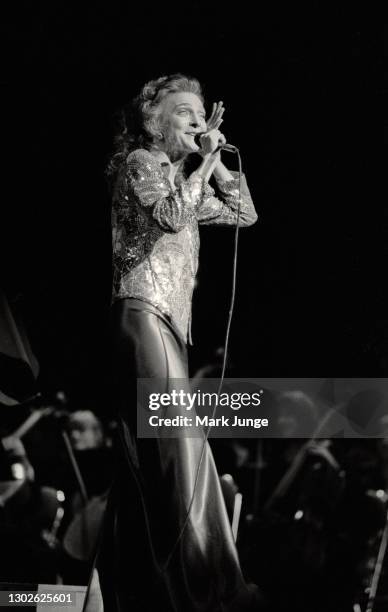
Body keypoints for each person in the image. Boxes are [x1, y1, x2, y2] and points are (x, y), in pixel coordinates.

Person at [96, 73, 260, 612]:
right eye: (184, 112)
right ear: (153, 123)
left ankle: (151, 589)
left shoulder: (179, 174)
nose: (198, 120)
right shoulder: (142, 163)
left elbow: (243, 213)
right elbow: (168, 216)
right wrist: (204, 163)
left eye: (200, 112)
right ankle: (202, 591)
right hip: (141, 316)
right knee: (179, 455)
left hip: (168, 326)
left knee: (161, 461)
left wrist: (219, 164)